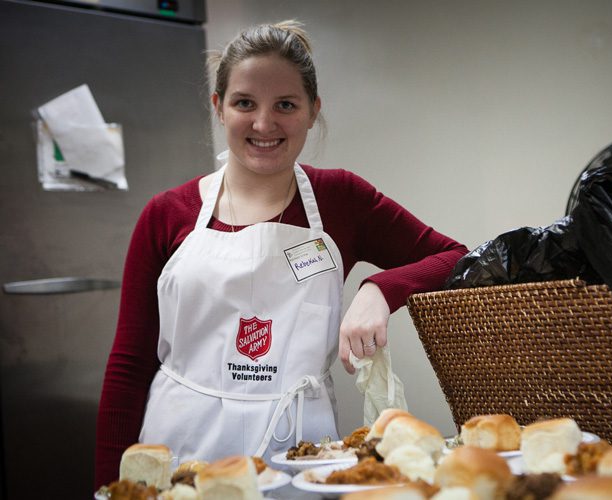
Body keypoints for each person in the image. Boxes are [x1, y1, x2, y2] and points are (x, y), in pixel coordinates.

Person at [94, 20, 467, 487]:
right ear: (218, 107)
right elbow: (129, 366)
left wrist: (380, 289)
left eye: (285, 105)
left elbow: (459, 257)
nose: (264, 124)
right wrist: (108, 485)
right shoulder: (166, 214)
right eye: (244, 103)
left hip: (298, 455)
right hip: (181, 451)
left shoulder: (342, 199)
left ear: (313, 111)